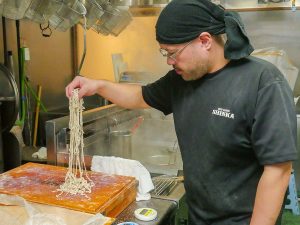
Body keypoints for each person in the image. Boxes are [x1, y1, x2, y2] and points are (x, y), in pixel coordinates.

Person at [66, 0, 298, 224]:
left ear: (205, 41)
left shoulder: (262, 82)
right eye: (164, 53)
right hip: (200, 217)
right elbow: (140, 96)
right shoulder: (181, 80)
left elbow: (278, 169)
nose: (169, 61)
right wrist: (98, 85)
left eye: (172, 52)